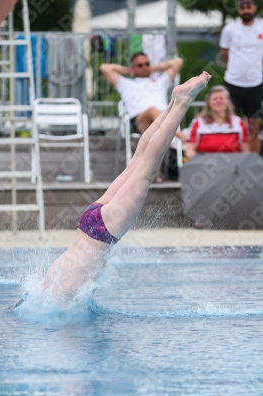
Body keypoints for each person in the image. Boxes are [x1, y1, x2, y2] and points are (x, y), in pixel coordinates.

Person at [40, 72, 211, 302]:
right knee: (139, 160)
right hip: (89, 222)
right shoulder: (46, 286)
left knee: (147, 168)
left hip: (102, 233)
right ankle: (172, 103)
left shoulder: (58, 296)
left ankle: (180, 103)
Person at [100, 53, 185, 183]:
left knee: (156, 129)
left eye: (147, 64)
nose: (144, 67)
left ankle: (155, 173)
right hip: (140, 122)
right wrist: (129, 71)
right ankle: (179, 135)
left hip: (160, 123)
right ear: (134, 67)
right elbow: (105, 67)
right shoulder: (126, 83)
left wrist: (153, 69)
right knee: (152, 111)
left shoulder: (160, 82)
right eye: (140, 65)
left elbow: (178, 62)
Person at [220, 0, 263, 153]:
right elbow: (224, 53)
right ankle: (231, 162)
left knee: (254, 126)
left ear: (255, 8)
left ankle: (253, 164)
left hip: (255, 84)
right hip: (232, 83)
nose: (246, 10)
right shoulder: (230, 29)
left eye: (249, 7)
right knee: (229, 124)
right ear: (238, 10)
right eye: (242, 7)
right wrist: (235, 69)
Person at [185, 85, 250, 159]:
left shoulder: (238, 122)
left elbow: (245, 151)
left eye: (222, 98)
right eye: (215, 99)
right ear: (208, 102)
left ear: (228, 101)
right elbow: (189, 151)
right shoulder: (198, 122)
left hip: (232, 166)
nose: (218, 101)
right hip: (205, 166)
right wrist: (202, 161)